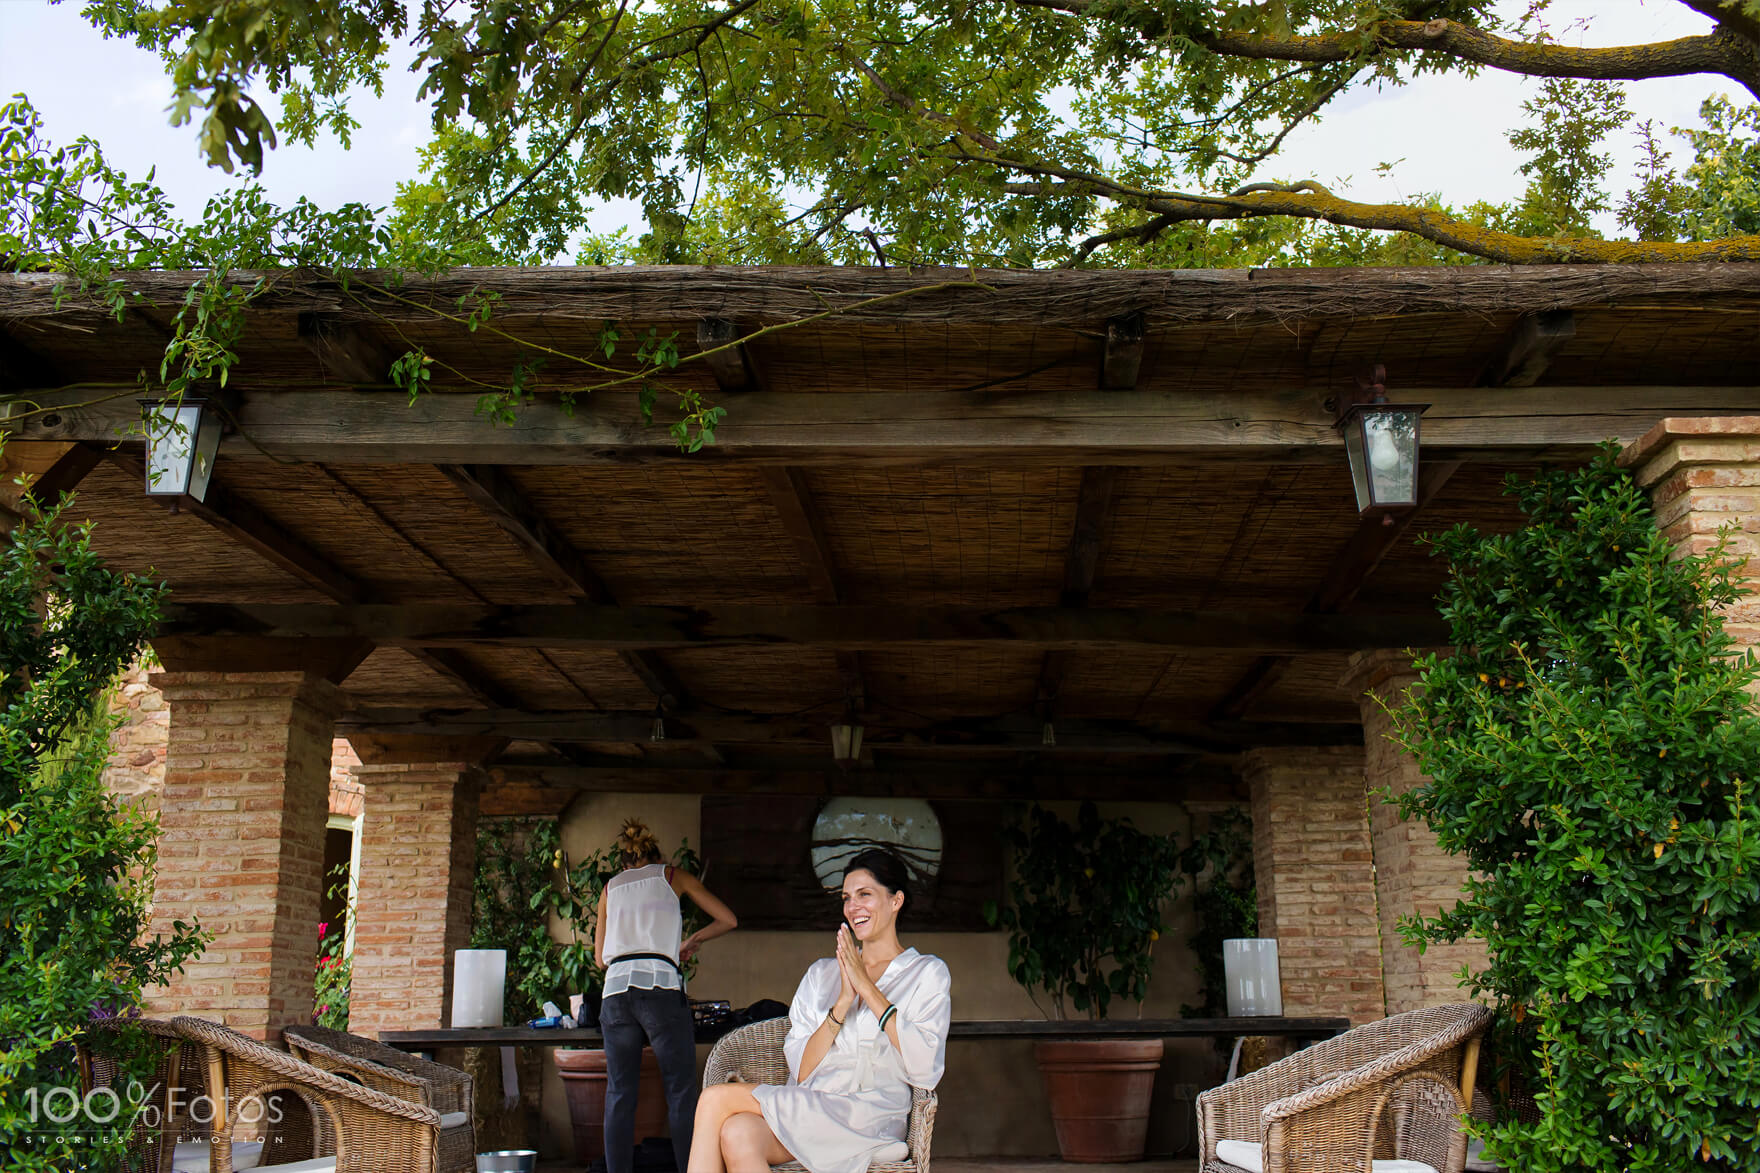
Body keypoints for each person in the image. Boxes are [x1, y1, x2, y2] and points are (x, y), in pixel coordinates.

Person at [688, 849, 951, 1173]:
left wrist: (867, 988)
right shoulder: (822, 974)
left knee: (715, 1099)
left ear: (895, 901)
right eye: (846, 898)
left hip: (870, 1117)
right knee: (738, 1133)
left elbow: (925, 1068)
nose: (853, 907)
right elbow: (801, 1070)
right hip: (814, 1107)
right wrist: (842, 1002)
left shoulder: (926, 972)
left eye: (865, 895)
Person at [595, 820, 740, 1173]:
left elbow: (600, 959)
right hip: (658, 988)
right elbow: (728, 920)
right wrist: (691, 942)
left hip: (615, 992)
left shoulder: (611, 888)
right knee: (679, 1091)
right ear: (655, 856)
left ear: (626, 861)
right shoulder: (672, 876)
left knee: (619, 1094)